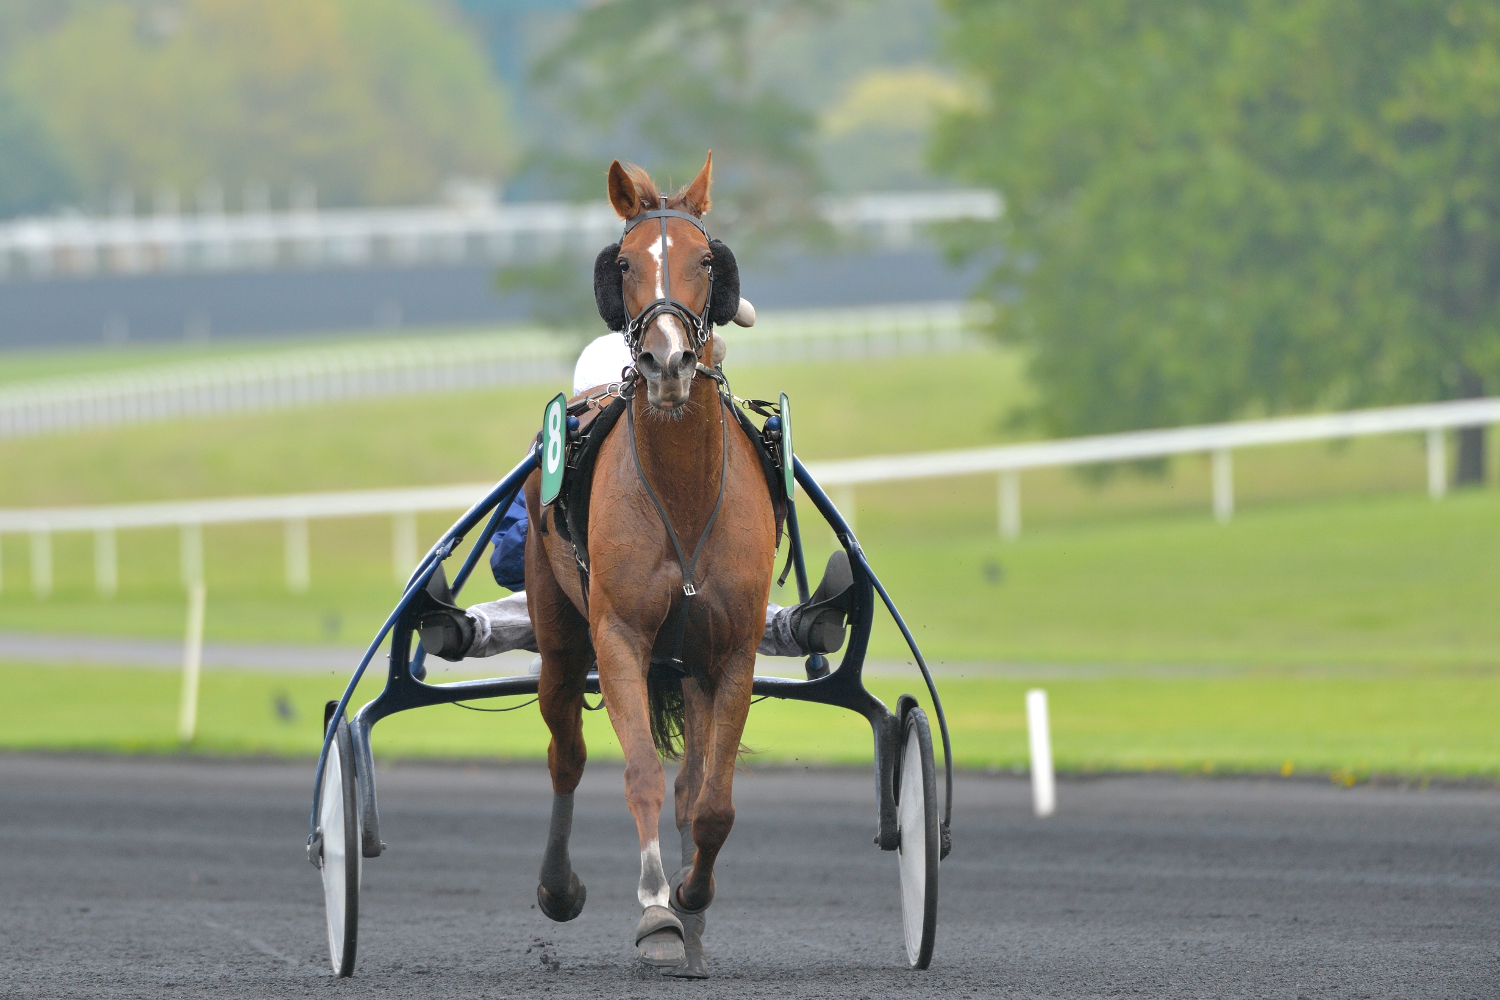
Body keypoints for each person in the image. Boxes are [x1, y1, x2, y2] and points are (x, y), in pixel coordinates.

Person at [412, 330, 855, 664]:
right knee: (560, 603)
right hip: (584, 619)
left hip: (688, 615)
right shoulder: (546, 468)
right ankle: (468, 630)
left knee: (713, 595)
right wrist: (549, 546)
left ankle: (796, 626)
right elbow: (509, 564)